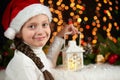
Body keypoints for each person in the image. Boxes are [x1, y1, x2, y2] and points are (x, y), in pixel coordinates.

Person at [2, 0, 78, 80]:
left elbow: (48, 65)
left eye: (44, 24)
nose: (40, 32)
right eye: (32, 26)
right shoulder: (23, 65)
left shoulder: (34, 51)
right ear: (18, 32)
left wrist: (59, 36)